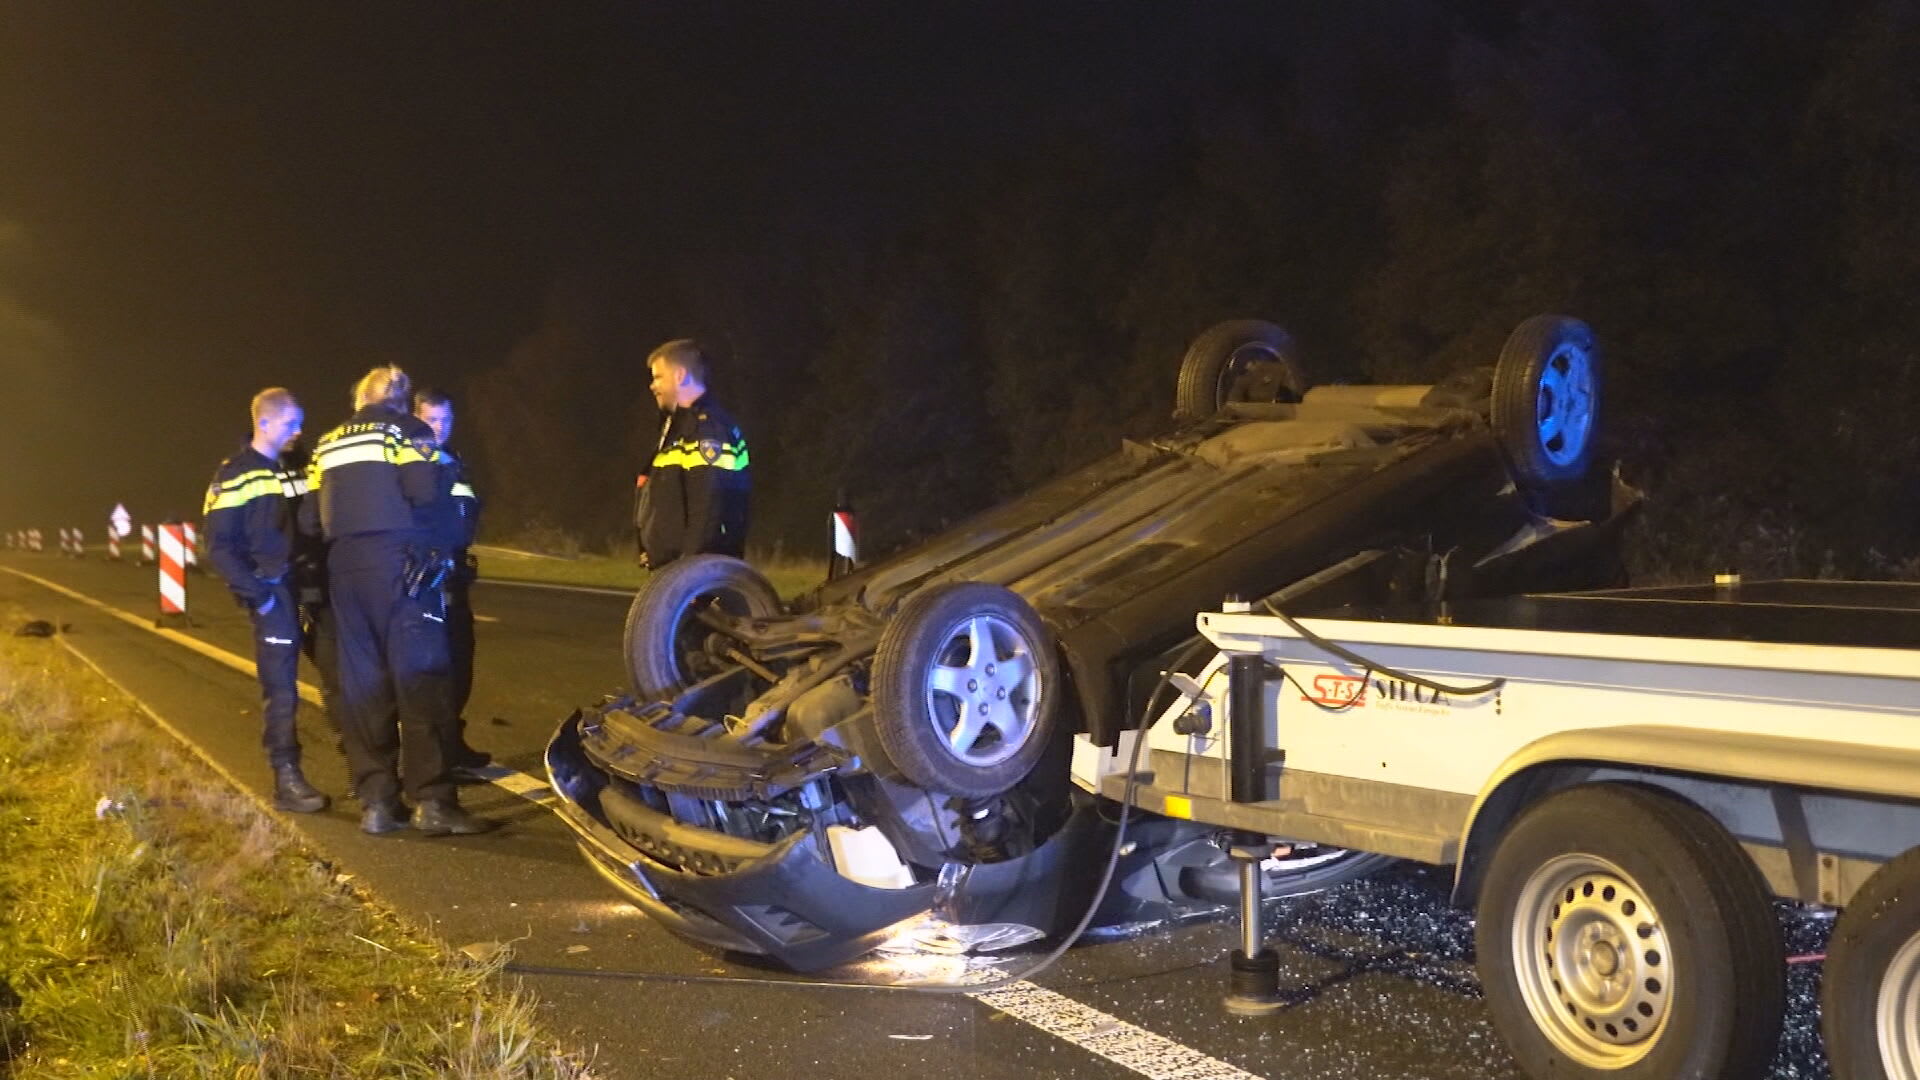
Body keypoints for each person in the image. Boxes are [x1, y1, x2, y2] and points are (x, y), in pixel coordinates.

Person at [308, 364, 494, 836]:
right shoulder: (407, 430)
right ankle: (431, 801)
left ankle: (377, 802)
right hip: (402, 565)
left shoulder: (327, 443)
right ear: (400, 399)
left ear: (359, 399)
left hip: (345, 570)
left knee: (363, 686)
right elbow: (422, 490)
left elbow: (311, 518)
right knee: (421, 679)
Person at [202, 388, 329, 814]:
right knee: (282, 692)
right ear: (267, 422)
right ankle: (286, 779)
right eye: (293, 423)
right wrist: (261, 597)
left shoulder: (294, 469)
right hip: (273, 594)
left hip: (308, 587)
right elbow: (219, 547)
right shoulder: (235, 474)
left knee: (342, 677)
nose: (299, 431)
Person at [413, 386, 492, 778]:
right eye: (430, 419)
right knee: (438, 671)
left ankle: (452, 742)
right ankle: (436, 755)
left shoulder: (454, 462)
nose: (439, 427)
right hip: (429, 582)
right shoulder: (415, 465)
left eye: (445, 420)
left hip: (456, 576)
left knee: (462, 665)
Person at [634, 338, 751, 569]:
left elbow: (709, 505)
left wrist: (690, 569)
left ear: (680, 375)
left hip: (696, 577)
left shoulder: (709, 430)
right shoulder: (678, 428)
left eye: (658, 377)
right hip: (675, 574)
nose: (652, 386)